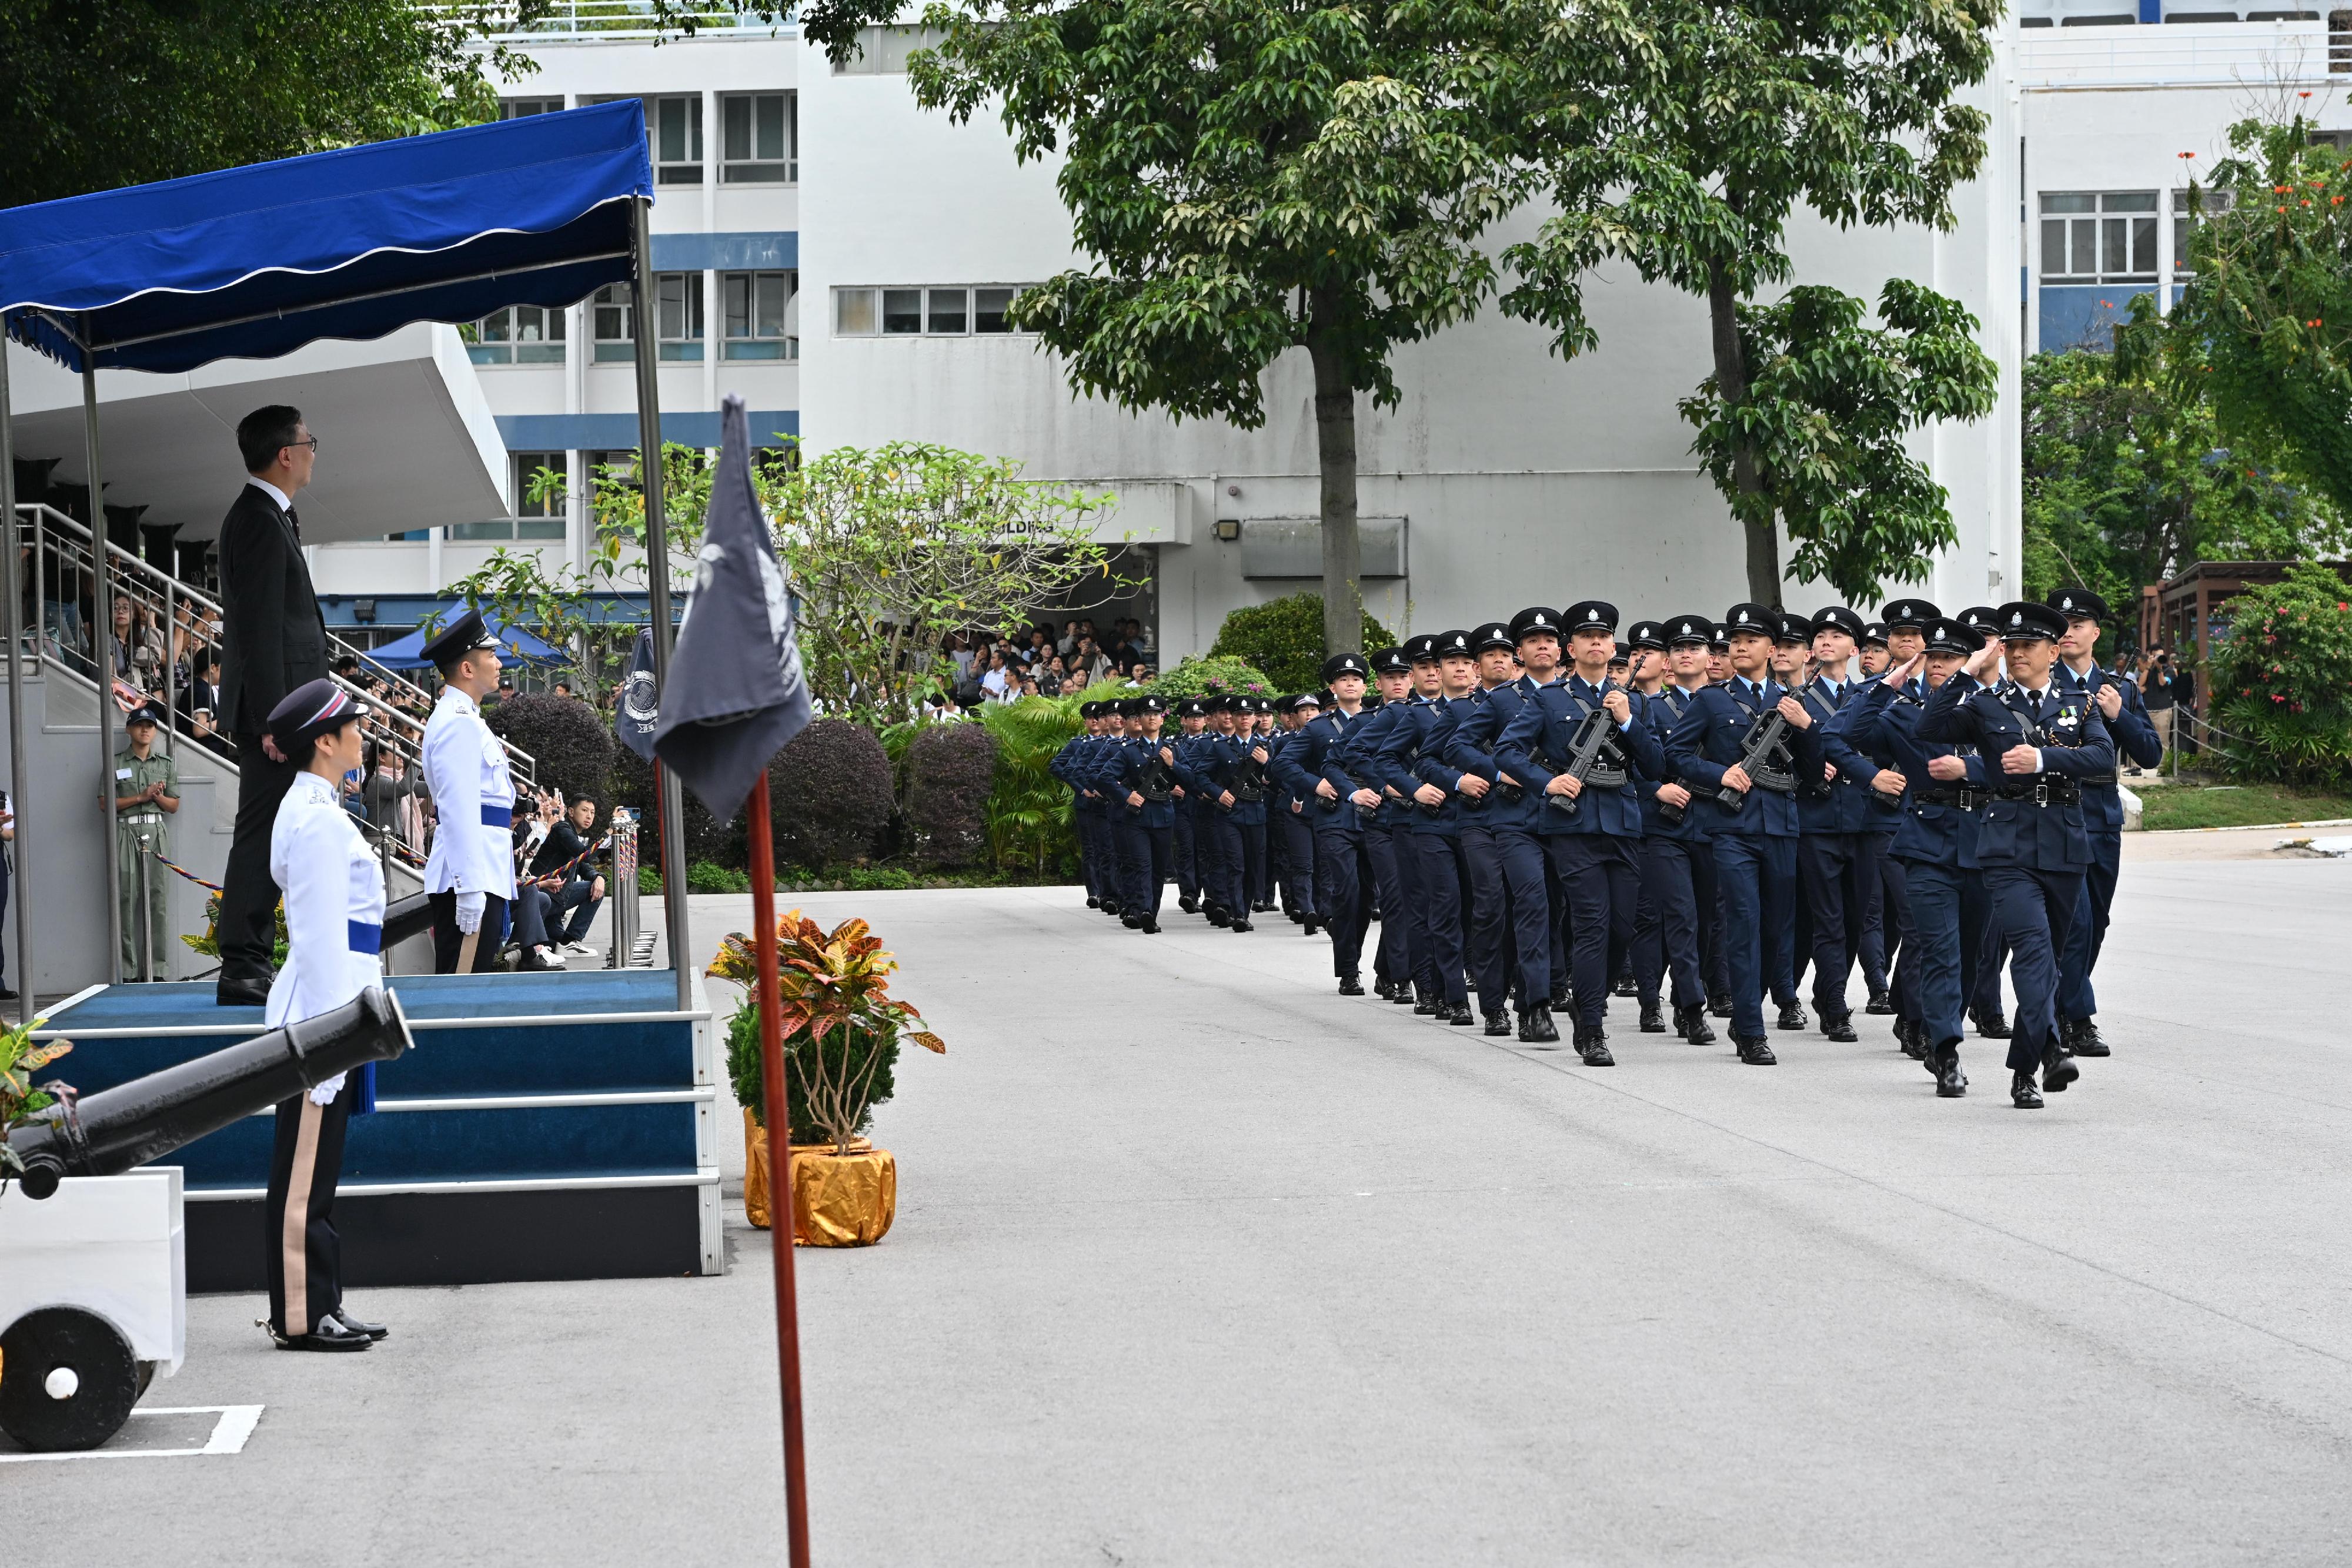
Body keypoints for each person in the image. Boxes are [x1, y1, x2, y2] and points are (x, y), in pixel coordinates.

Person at [1918, 600, 2115, 1109]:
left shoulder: (2078, 702)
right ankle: (2050, 1050)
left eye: (2030, 645)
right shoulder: (1988, 703)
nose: (2018, 653)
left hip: (2066, 843)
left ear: (2053, 650)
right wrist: (1967, 669)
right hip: (2007, 844)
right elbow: (1930, 727)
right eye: (2012, 645)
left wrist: (2043, 757)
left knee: (2048, 962)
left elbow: (2101, 759)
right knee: (2031, 949)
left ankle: (2024, 1069)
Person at [257, 677, 388, 1352]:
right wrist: (328, 1046)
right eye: (355, 728)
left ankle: (323, 1301)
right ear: (326, 743)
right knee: (304, 1175)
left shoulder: (320, 808)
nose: (364, 736)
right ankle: (301, 1314)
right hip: (323, 1015)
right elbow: (316, 940)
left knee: (320, 1170)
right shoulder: (315, 819)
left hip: (337, 1007)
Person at [1825, 620, 1987, 1098]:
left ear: (1968, 665)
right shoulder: (1903, 712)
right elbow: (1838, 735)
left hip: (1983, 842)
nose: (1937, 665)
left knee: (1972, 954)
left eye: (1950, 658)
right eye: (1930, 657)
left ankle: (1943, 1029)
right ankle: (1948, 1050)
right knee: (1939, 950)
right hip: (1927, 841)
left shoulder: (1991, 709)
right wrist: (1887, 683)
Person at [1501, 602, 1663, 1065]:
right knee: (1592, 923)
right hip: (1573, 825)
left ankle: (1583, 997)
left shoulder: (1636, 701)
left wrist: (1629, 720)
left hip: (1624, 824)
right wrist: (1545, 781)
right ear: (1570, 649)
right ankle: (1592, 1026)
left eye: (1603, 636)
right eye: (1586, 636)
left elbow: (1654, 765)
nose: (1596, 642)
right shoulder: (1548, 699)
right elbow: (1509, 752)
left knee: (1622, 929)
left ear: (1614, 648)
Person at [1667, 603, 1826, 1065]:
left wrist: (1807, 728)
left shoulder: (1792, 703)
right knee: (1743, 919)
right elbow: (1676, 754)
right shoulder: (1711, 700)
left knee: (1775, 929)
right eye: (1734, 640)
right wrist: (1721, 774)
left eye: (1751, 640)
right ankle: (1752, 1029)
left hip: (1781, 824)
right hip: (1732, 827)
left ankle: (1745, 1012)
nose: (1739, 646)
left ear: (1773, 650)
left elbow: (1814, 774)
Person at [213, 404, 330, 1007]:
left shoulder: (269, 515)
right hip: (275, 716)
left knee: (276, 832)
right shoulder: (258, 519)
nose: (315, 450)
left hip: (286, 710)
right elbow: (258, 629)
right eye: (310, 441)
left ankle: (251, 959)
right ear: (286, 453)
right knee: (261, 835)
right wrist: (270, 722)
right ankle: (242, 964)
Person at [2047, 587, 2164, 1059]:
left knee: (2097, 922)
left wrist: (2119, 715)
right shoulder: (2043, 683)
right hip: (2057, 812)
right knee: (2076, 922)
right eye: (2063, 625)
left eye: (2078, 625)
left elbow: (2151, 754)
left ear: (2095, 632)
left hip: (2101, 816)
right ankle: (2078, 1017)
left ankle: (2059, 1004)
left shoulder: (2119, 688)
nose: (2069, 633)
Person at [420, 610, 516, 972]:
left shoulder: (466, 718)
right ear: (467, 668)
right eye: (490, 655)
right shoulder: (458, 723)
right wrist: (469, 885)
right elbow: (459, 808)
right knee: (460, 990)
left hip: (484, 867)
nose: (498, 662)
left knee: (471, 986)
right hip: (471, 874)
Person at [113, 701, 180, 981]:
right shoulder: (117, 762)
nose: (145, 730)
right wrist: (141, 797)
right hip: (127, 831)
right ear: (130, 729)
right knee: (127, 898)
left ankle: (158, 969)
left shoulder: (165, 764)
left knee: (158, 901)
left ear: (155, 732)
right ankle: (129, 971)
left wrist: (156, 797)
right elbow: (107, 803)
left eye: (150, 726)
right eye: (140, 725)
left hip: (156, 833)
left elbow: (174, 805)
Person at [526, 794, 609, 955]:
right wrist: (609, 833)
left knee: (596, 886)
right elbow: (585, 855)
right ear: (571, 812)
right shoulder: (561, 829)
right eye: (584, 810)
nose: (589, 816)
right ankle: (566, 941)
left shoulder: (571, 834)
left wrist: (598, 877)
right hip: (544, 894)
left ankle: (571, 940)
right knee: (548, 934)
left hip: (558, 897)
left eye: (592, 812)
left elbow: (583, 864)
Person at [2138, 647, 2177, 772]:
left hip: (2163, 710)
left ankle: (2163, 767)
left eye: (2161, 656)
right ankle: (2140, 766)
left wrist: (2160, 669)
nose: (2160, 659)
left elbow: (2163, 684)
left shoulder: (2170, 671)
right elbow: (2140, 685)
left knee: (2163, 740)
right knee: (2143, 739)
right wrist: (2149, 667)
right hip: (2147, 710)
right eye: (2156, 656)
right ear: (2151, 657)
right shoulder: (2148, 670)